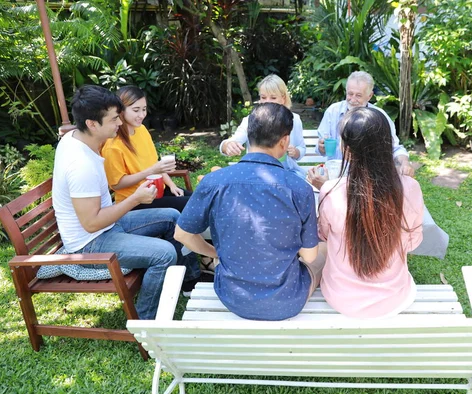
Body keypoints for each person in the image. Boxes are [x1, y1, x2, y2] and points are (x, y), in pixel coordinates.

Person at [52, 85, 199, 320]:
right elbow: (91, 224)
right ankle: (145, 323)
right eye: (113, 119)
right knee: (164, 254)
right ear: (91, 124)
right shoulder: (81, 165)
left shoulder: (75, 137)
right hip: (89, 242)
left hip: (106, 225)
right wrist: (135, 199)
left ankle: (190, 281)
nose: (119, 123)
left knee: (173, 217)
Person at [175, 103, 325, 321]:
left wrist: (215, 253)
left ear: (249, 135)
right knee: (324, 251)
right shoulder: (299, 187)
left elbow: (182, 234)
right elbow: (309, 255)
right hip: (287, 300)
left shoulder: (214, 181)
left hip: (232, 297)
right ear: (284, 141)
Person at [317, 107, 424, 318]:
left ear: (346, 149)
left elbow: (324, 238)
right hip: (395, 298)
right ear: (387, 144)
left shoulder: (330, 191)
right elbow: (412, 242)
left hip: (340, 297)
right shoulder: (410, 188)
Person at [309, 71, 414, 190]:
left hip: (369, 179)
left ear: (369, 96)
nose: (352, 99)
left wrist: (405, 163)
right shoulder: (332, 112)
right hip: (336, 178)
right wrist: (321, 147)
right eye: (350, 94)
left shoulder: (379, 117)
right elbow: (320, 148)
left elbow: (395, 148)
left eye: (358, 95)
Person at [101, 86, 192, 212]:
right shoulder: (113, 145)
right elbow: (117, 184)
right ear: (121, 111)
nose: (142, 115)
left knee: (200, 199)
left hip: (158, 190)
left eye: (144, 109)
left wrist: (171, 185)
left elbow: (155, 164)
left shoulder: (141, 130)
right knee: (195, 206)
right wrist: (150, 171)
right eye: (136, 110)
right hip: (135, 201)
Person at [219, 75, 307, 179]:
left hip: (287, 172)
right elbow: (229, 143)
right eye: (263, 97)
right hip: (257, 173)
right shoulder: (251, 119)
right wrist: (228, 146)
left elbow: (301, 148)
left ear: (283, 98)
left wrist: (296, 152)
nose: (267, 102)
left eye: (273, 98)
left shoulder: (294, 120)